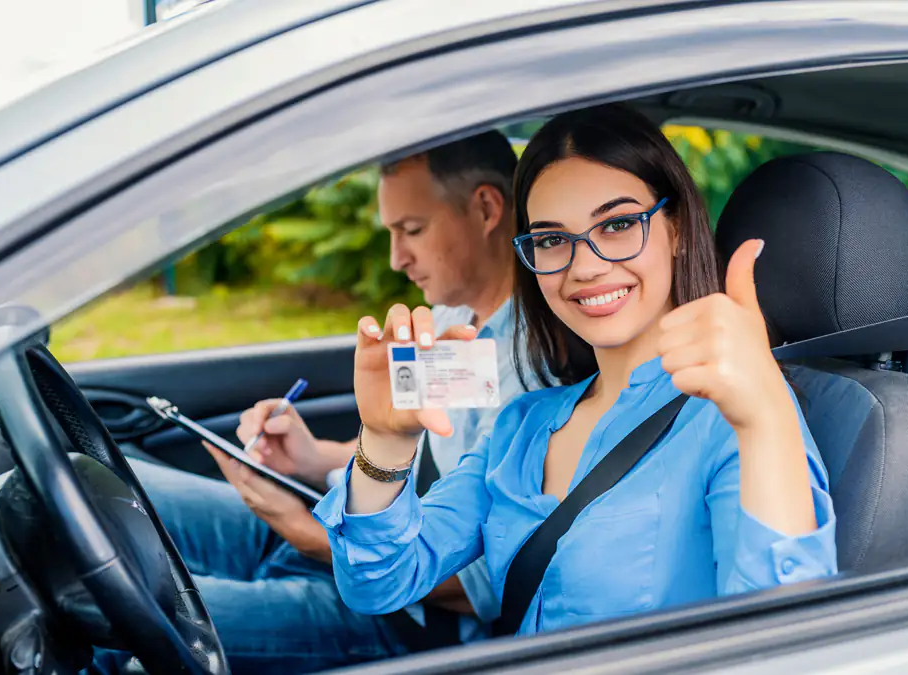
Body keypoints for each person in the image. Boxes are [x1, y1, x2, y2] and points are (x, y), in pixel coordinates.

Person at [314, 103, 839, 635]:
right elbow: (378, 583)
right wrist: (383, 440)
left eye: (617, 225)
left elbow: (785, 642)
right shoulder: (522, 426)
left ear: (675, 227)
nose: (584, 266)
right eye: (551, 239)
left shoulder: (737, 418)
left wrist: (766, 414)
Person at [91, 131, 535, 675]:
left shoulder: (530, 370)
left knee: (118, 629)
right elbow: (415, 455)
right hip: (335, 529)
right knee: (100, 490)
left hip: (401, 616)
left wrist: (306, 534)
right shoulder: (449, 320)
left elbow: (481, 586)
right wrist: (311, 456)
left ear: (487, 208)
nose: (397, 258)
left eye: (412, 230)